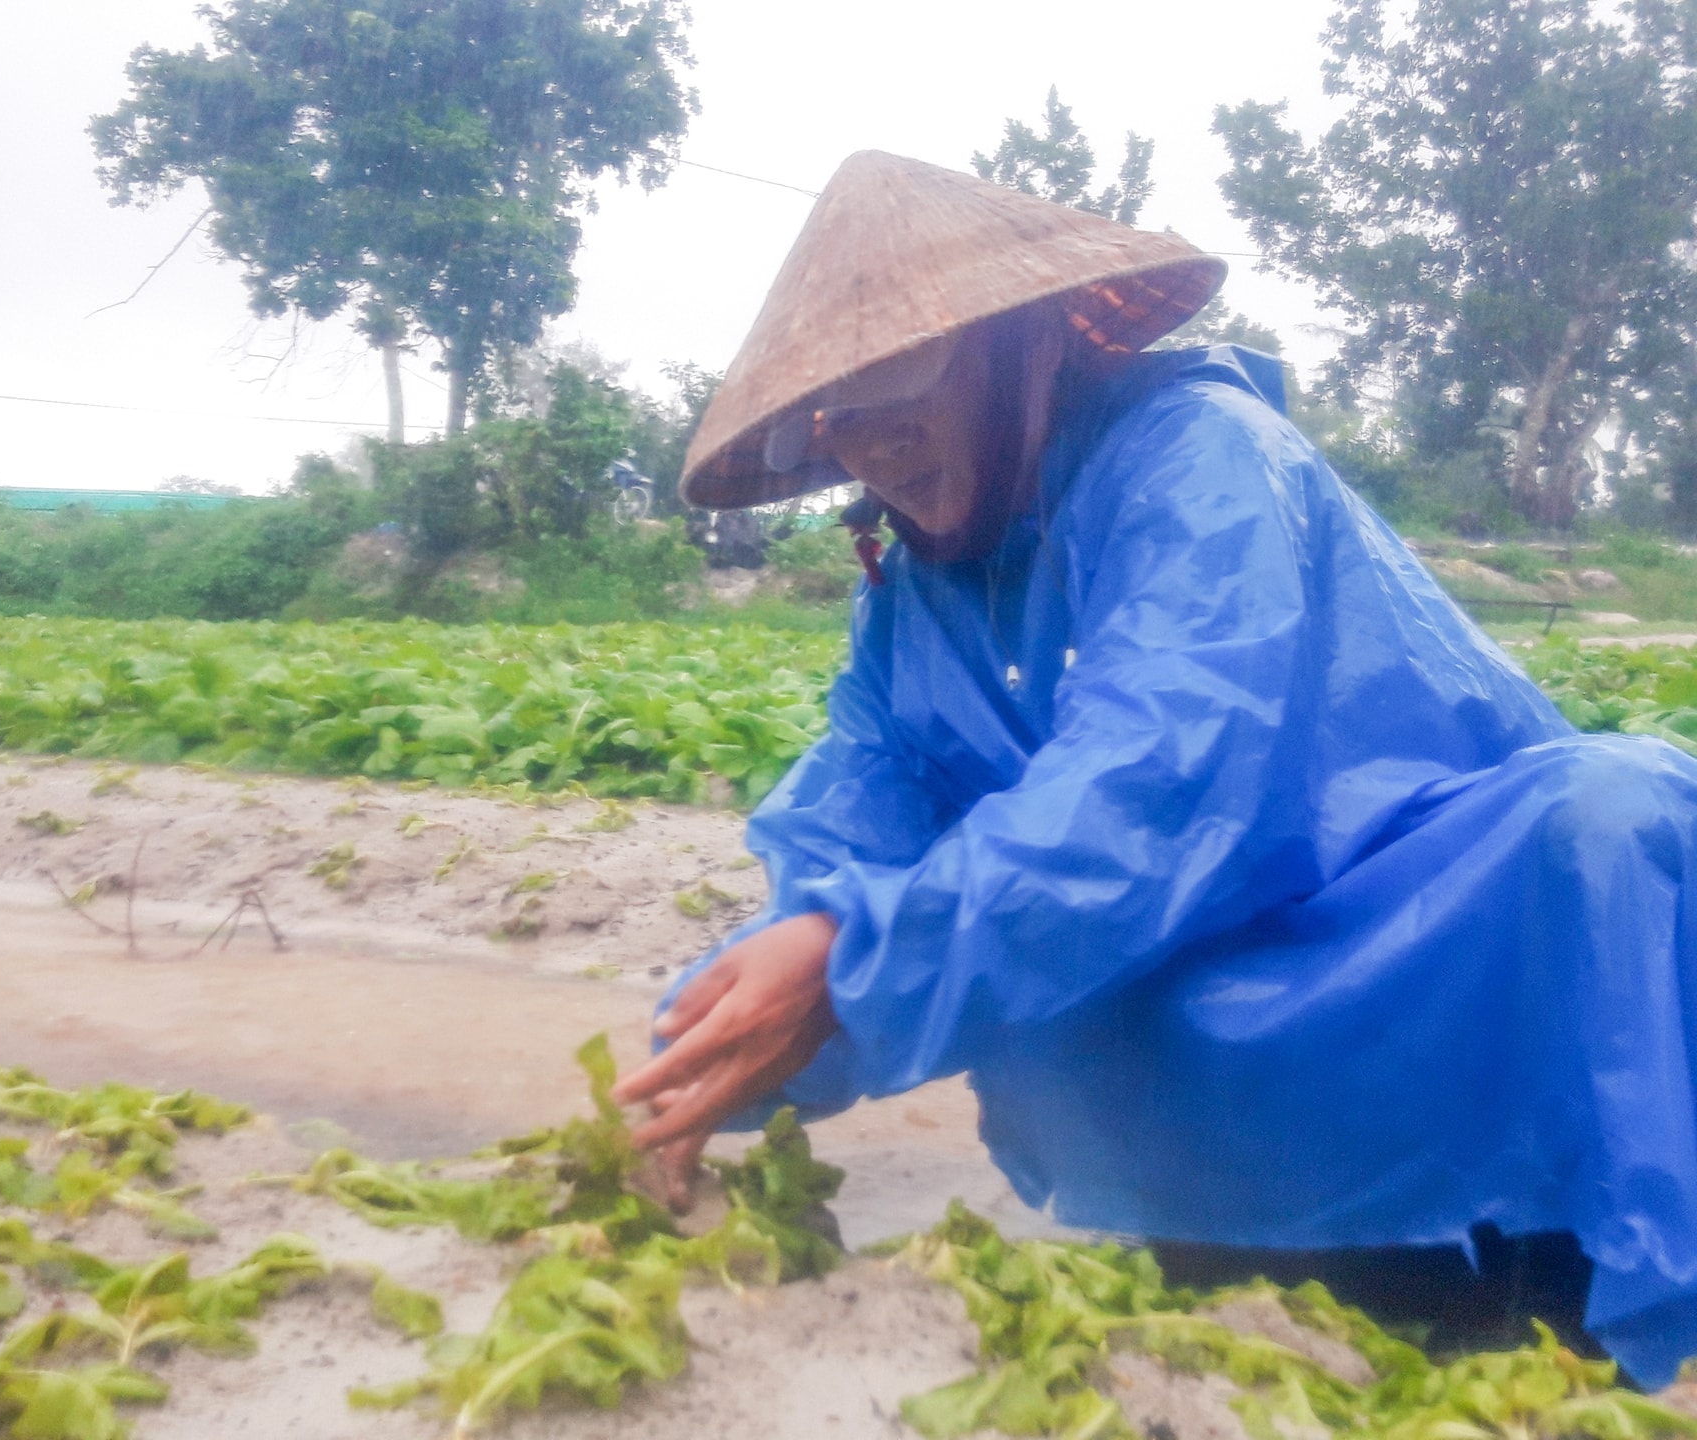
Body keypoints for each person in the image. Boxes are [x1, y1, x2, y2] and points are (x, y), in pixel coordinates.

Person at [611, 150, 1697, 1385]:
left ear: (1024, 347)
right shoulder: (911, 597)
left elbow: (1161, 780)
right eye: (842, 410)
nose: (879, 440)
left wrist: (861, 964)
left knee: (1615, 810)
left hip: (1418, 951)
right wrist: (685, 1063)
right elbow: (847, 836)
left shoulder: (1197, 454)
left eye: (903, 381)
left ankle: (1584, 1309)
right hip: (1203, 1036)